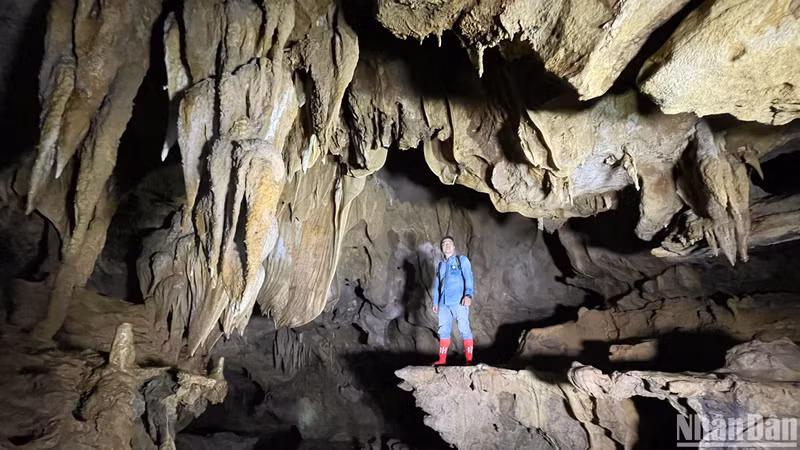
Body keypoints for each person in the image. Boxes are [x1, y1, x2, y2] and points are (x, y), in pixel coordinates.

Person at [431, 236, 474, 366]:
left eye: (450, 243)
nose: (447, 245)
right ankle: (442, 360)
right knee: (443, 330)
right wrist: (435, 302)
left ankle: (469, 359)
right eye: (444, 244)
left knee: (464, 328)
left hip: (459, 301)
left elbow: (468, 277)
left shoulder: (462, 261)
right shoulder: (440, 266)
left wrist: (468, 295)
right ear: (442, 249)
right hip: (444, 303)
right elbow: (437, 285)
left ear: (454, 247)